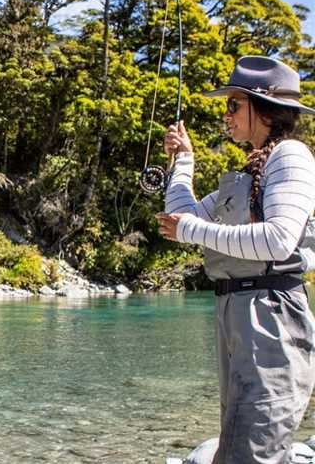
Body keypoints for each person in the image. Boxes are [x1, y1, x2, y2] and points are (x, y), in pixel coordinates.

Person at [157, 55, 315, 464]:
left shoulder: (292, 156)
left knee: (254, 451)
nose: (226, 114)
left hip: (271, 321)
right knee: (234, 450)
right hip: (236, 316)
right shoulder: (249, 170)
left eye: (233, 105)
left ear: (262, 108)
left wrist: (188, 229)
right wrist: (184, 161)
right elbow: (184, 216)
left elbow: (279, 240)